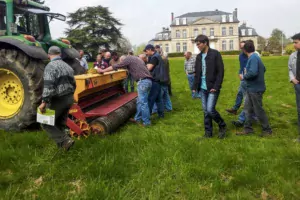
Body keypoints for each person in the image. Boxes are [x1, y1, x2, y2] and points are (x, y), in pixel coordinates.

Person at [96, 55, 153, 126]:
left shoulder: (128, 59)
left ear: (123, 60)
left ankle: (146, 123)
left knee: (143, 103)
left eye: (122, 62)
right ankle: (137, 119)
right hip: (148, 81)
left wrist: (103, 71)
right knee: (139, 102)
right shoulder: (135, 59)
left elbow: (115, 66)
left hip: (143, 82)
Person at [38, 46, 76, 151]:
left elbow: (48, 86)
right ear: (59, 54)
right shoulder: (68, 66)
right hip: (69, 98)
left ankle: (65, 140)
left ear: (49, 55)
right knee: (60, 123)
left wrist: (44, 102)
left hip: (58, 99)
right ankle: (63, 149)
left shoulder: (50, 66)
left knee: (45, 122)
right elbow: (74, 84)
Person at [192, 35, 226, 139]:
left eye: (199, 44)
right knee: (206, 111)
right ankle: (208, 133)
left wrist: (216, 86)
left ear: (205, 43)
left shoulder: (215, 54)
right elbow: (197, 73)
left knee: (210, 110)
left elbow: (220, 72)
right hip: (202, 88)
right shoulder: (198, 57)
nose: (197, 46)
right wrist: (194, 86)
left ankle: (222, 125)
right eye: (196, 44)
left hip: (212, 87)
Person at [236, 40, 272, 137]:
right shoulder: (254, 57)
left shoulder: (253, 58)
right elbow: (263, 69)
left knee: (258, 110)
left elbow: (253, 72)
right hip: (250, 88)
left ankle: (267, 130)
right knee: (247, 109)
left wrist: (244, 76)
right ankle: (248, 129)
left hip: (256, 89)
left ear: (244, 50)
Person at [231, 41, 257, 127]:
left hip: (250, 80)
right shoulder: (241, 56)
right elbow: (242, 67)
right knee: (240, 94)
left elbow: (254, 71)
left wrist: (246, 76)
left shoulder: (254, 56)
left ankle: (243, 119)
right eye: (241, 48)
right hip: (243, 79)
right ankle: (236, 109)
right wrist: (239, 73)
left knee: (248, 100)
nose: (243, 50)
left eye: (243, 48)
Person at [144, 44, 165, 119]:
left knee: (151, 98)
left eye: (146, 51)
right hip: (159, 79)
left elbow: (149, 68)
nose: (146, 53)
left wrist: (142, 65)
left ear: (150, 49)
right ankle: (161, 115)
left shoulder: (155, 57)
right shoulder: (157, 55)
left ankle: (146, 116)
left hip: (155, 80)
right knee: (159, 99)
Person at [288, 33, 300, 141]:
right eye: (294, 43)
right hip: (298, 85)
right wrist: (292, 79)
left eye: (296, 42)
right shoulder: (293, 56)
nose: (294, 45)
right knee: (299, 110)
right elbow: (290, 69)